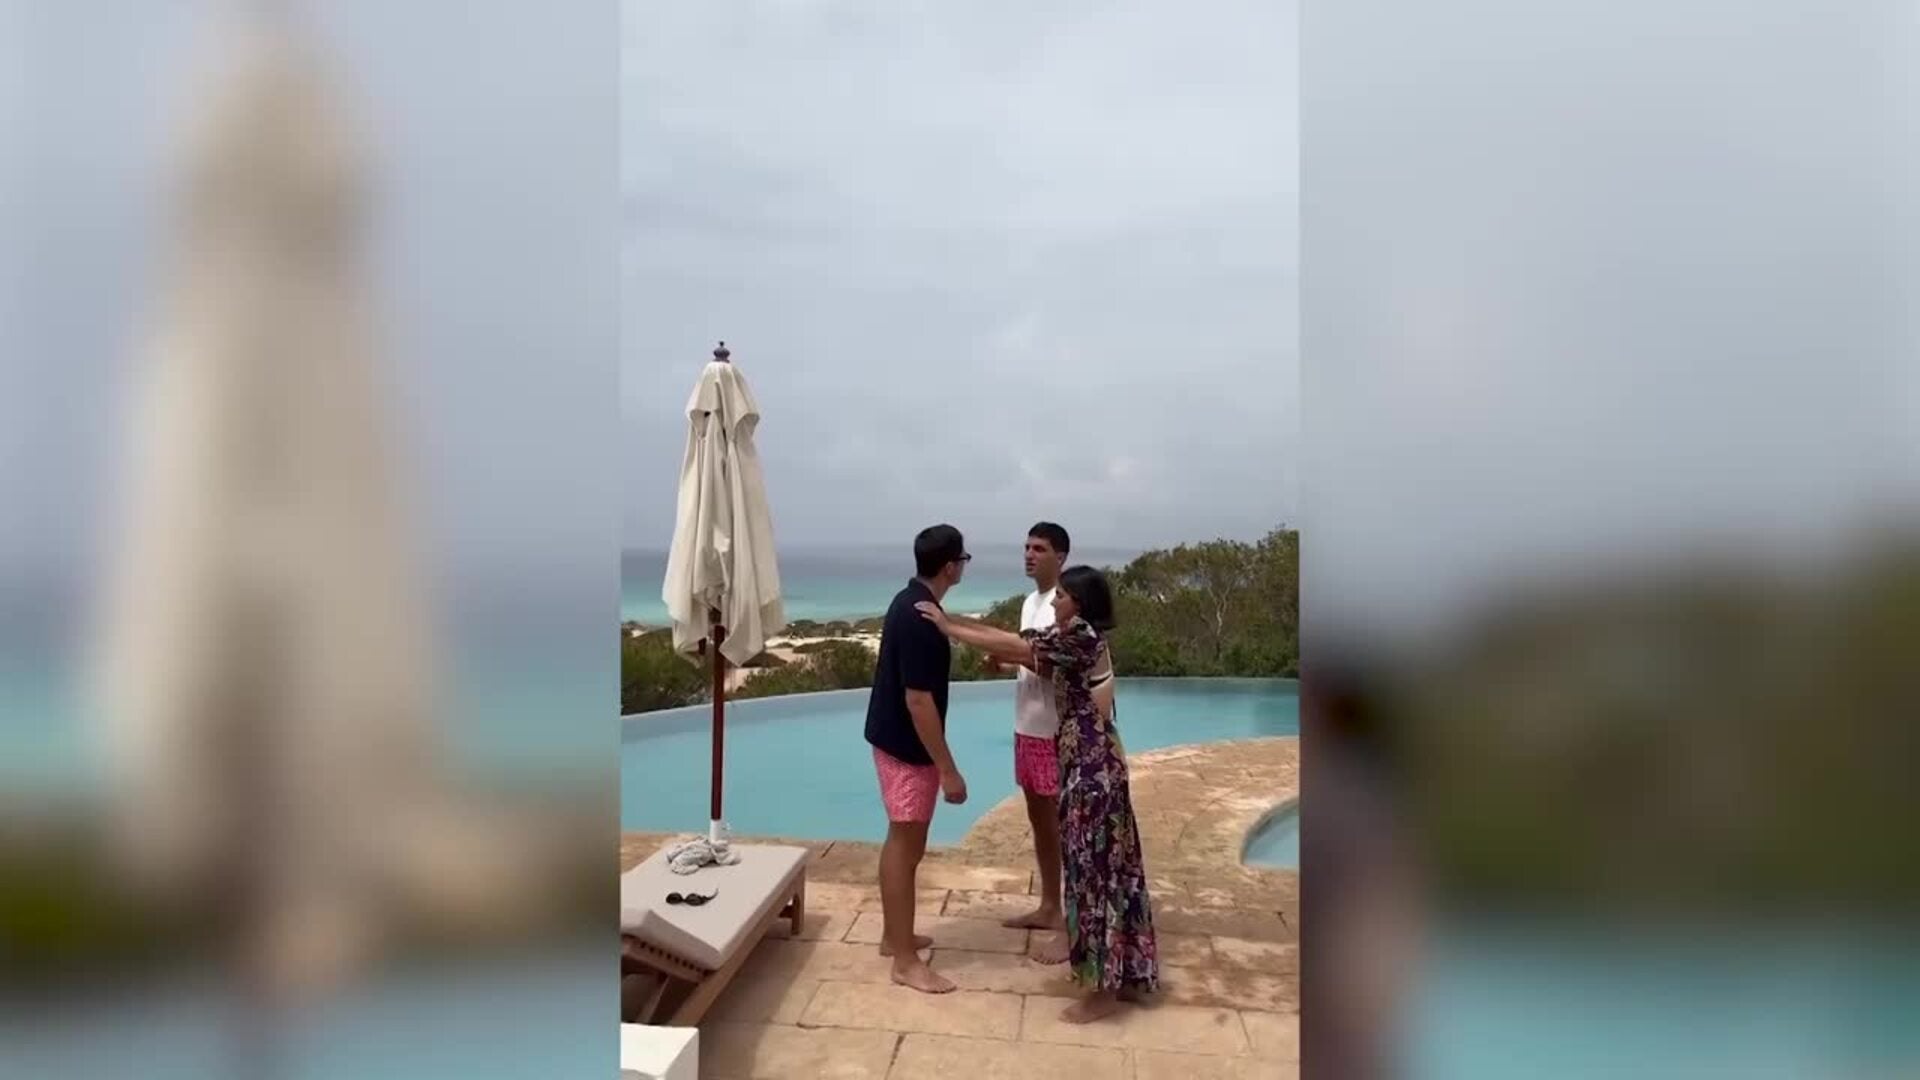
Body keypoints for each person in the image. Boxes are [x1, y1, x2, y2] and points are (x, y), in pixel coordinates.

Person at [916, 565, 1157, 1022]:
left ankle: (1103, 991)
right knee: (1110, 871)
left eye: (1062, 595)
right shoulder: (1070, 637)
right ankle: (1124, 974)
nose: (1056, 601)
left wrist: (948, 627)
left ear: (1078, 604)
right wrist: (960, 626)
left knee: (1092, 877)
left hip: (1092, 772)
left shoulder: (1080, 637)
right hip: (1091, 764)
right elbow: (1017, 647)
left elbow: (1015, 645)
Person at [863, 524, 972, 994]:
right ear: (950, 566)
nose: (963, 566)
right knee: (905, 847)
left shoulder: (908, 601)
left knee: (906, 844)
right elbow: (919, 700)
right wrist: (948, 769)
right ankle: (905, 962)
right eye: (962, 560)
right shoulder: (921, 619)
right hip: (907, 749)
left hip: (894, 740)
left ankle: (896, 936)